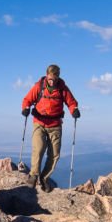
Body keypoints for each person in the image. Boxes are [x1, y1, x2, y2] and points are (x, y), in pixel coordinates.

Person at [21, 64, 80, 192]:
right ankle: (34, 175)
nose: (51, 80)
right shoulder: (39, 86)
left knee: (54, 154)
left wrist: (74, 110)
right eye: (50, 78)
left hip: (55, 126)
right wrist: (25, 108)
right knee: (39, 148)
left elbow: (71, 102)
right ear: (47, 75)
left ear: (58, 77)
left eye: (54, 78)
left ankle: (44, 178)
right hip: (39, 123)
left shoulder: (62, 89)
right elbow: (27, 99)